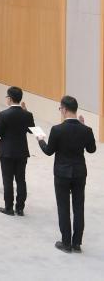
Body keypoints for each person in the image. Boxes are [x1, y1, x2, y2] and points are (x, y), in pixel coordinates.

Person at [35, 95, 97, 253]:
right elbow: (91, 149)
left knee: (63, 207)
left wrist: (40, 140)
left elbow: (49, 151)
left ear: (64, 109)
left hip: (62, 173)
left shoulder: (57, 129)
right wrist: (85, 128)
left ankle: (66, 242)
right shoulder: (86, 129)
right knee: (79, 207)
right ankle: (77, 243)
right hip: (79, 172)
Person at [0, 86, 35, 216]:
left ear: (9, 99)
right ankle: (20, 208)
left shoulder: (3, 115)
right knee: (21, 179)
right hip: (22, 151)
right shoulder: (27, 114)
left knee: (8, 180)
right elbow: (31, 129)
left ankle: (9, 207)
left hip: (7, 152)